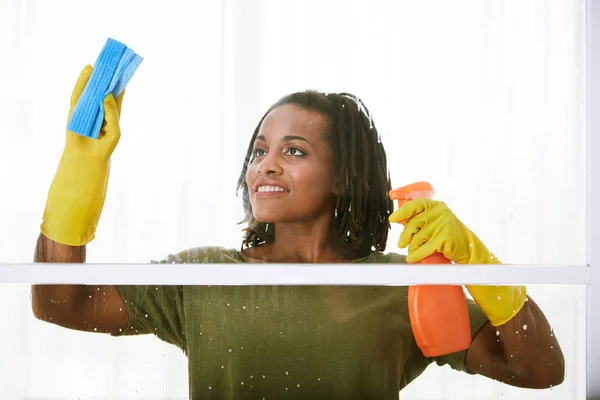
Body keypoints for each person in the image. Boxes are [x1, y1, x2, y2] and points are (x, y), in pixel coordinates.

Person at [32, 65, 565, 399]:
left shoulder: (406, 288)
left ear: (344, 176)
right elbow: (60, 303)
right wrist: (79, 170)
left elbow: (538, 369)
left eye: (293, 151)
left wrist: (479, 264)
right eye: (259, 150)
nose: (264, 165)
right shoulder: (203, 277)